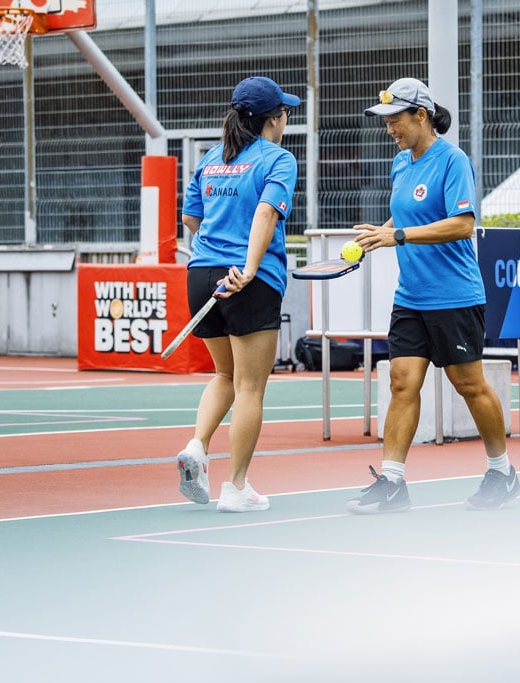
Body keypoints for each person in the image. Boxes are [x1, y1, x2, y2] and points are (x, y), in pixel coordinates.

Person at [347, 77, 520, 514]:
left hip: (455, 295)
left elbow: (462, 224)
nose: (389, 129)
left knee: (470, 385)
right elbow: (405, 212)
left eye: (395, 120)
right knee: (402, 382)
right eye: (385, 121)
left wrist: (399, 236)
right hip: (411, 297)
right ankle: (392, 483)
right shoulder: (401, 164)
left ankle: (502, 472)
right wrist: (382, 232)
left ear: (420, 115)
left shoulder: (452, 160)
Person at [175, 76, 300, 512]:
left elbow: (192, 219)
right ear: (273, 119)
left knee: (225, 375)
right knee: (250, 387)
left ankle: (196, 445)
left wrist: (221, 251)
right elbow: (266, 212)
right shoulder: (279, 159)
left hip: (201, 274)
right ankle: (236, 487)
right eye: (285, 113)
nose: (286, 119)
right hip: (250, 281)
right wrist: (247, 268)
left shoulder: (211, 159)